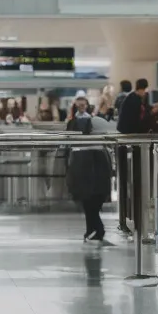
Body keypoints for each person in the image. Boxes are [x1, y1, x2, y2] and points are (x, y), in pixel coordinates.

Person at [65, 94, 113, 241]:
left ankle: (95, 229)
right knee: (89, 199)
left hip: (84, 162)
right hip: (85, 162)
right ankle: (94, 229)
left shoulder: (90, 121)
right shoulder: (76, 121)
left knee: (89, 200)